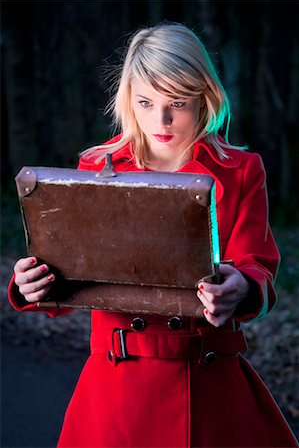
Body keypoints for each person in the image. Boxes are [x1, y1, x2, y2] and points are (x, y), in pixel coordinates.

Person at [8, 22, 298, 448]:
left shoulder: (240, 170)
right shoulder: (97, 168)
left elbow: (258, 266)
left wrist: (243, 286)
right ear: (128, 101)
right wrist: (31, 283)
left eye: (176, 102)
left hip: (208, 379)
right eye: (145, 102)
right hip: (118, 384)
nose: (160, 120)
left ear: (204, 97)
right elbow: (71, 267)